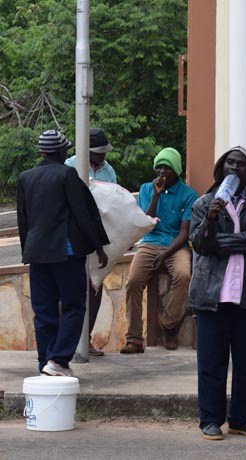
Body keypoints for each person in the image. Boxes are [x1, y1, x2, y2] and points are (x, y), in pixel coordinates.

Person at [188, 146, 246, 441]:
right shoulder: (204, 203)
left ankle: (243, 419)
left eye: (242, 164)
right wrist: (210, 220)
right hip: (212, 295)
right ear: (221, 168)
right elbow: (199, 244)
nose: (234, 169)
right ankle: (210, 420)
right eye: (229, 163)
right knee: (211, 362)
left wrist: (219, 242)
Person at [16, 130, 109, 376]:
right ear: (59, 152)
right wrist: (99, 246)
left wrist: (28, 251)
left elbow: (23, 220)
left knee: (44, 311)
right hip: (65, 254)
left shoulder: (26, 177)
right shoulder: (67, 175)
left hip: (37, 255)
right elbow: (83, 213)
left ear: (42, 152)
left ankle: (45, 364)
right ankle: (58, 360)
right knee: (74, 307)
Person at [120, 148, 197, 353]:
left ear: (177, 170)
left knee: (183, 275)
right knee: (133, 282)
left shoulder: (188, 195)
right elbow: (147, 222)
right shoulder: (147, 188)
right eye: (159, 167)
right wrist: (155, 195)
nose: (162, 172)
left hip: (175, 245)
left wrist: (165, 254)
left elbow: (184, 232)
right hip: (150, 241)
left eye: (167, 168)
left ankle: (168, 324)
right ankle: (134, 339)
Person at [64, 127, 117, 356]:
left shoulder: (108, 170)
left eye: (104, 151)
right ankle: (67, 342)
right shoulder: (70, 166)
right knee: (71, 290)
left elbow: (115, 198)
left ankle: (86, 340)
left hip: (98, 235)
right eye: (97, 152)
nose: (102, 156)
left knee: (95, 287)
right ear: (86, 151)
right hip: (73, 236)